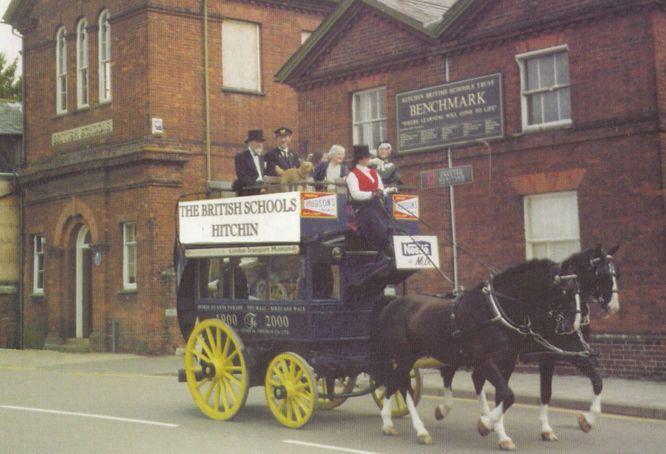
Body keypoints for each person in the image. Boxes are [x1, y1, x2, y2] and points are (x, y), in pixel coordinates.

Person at [347, 144, 392, 256]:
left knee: (387, 213)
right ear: (360, 159)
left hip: (377, 204)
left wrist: (382, 192)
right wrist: (371, 194)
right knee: (373, 216)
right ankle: (385, 245)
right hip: (363, 208)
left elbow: (381, 188)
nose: (369, 159)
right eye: (367, 157)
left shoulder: (374, 172)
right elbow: (355, 194)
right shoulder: (352, 175)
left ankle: (389, 240)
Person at [232, 129, 266, 196]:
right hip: (249, 191)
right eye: (257, 142)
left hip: (264, 190)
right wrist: (259, 188)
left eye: (261, 142)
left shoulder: (263, 157)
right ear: (250, 143)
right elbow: (243, 177)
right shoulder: (241, 157)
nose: (260, 144)